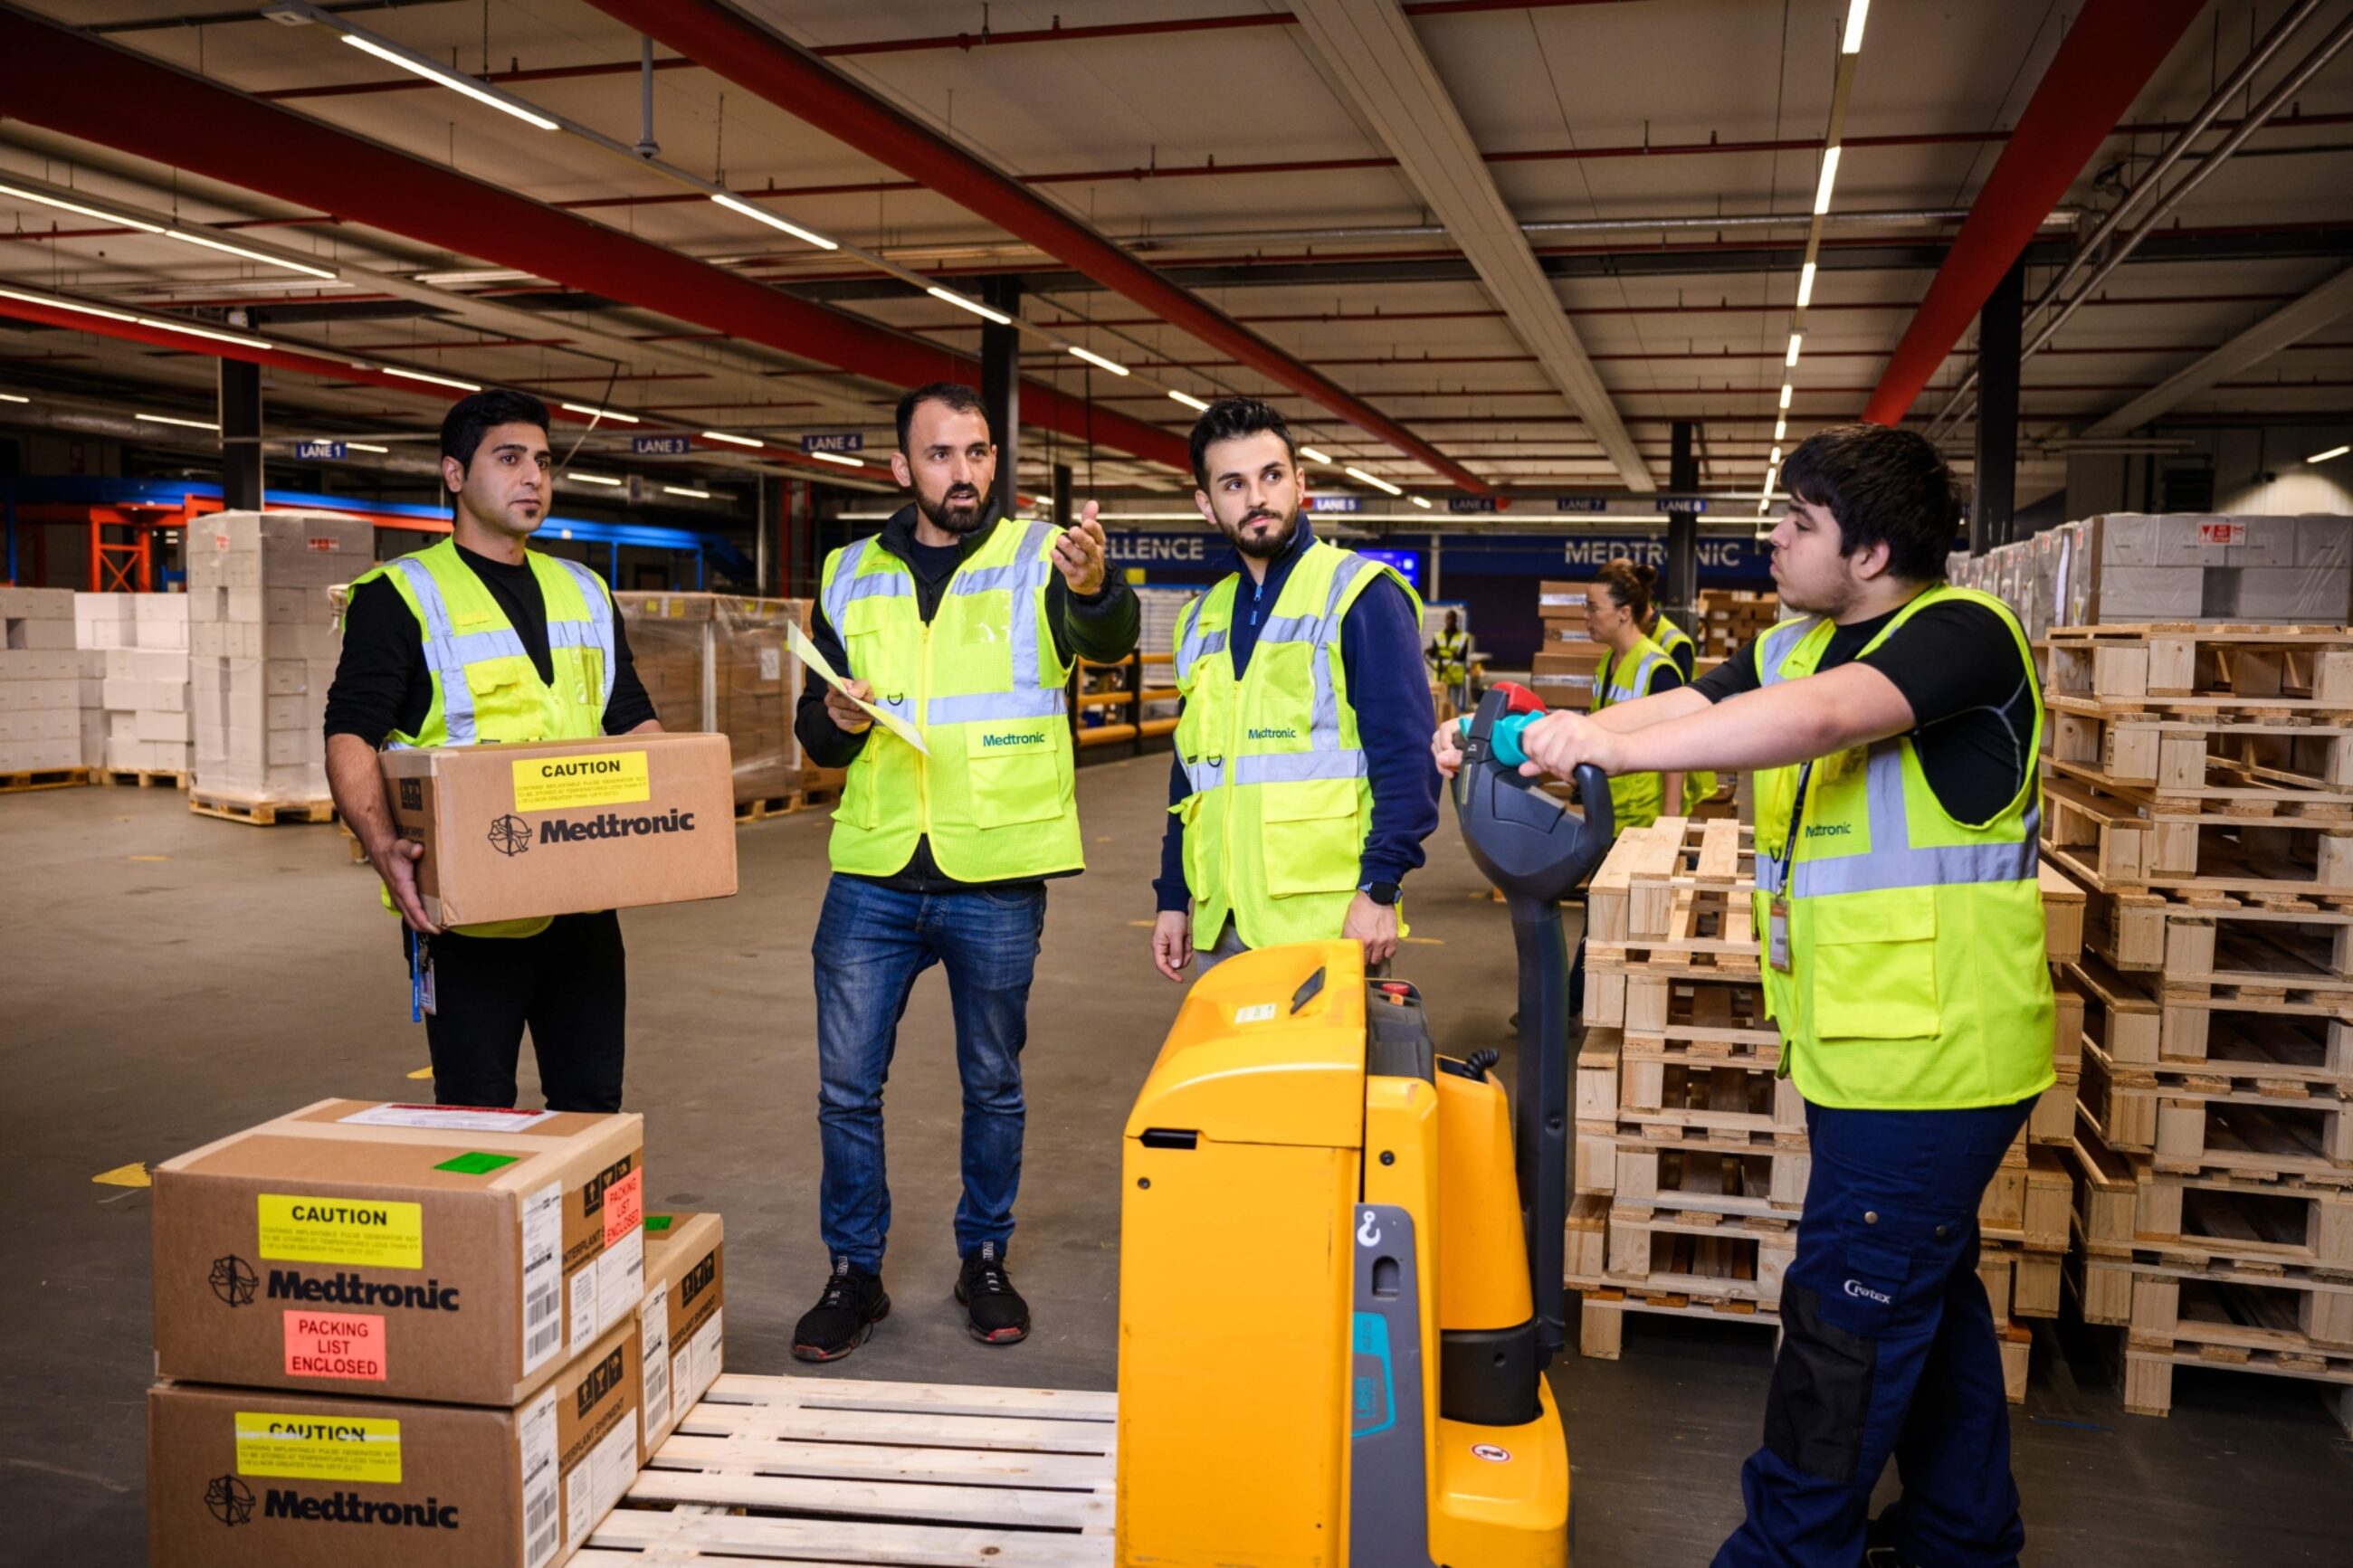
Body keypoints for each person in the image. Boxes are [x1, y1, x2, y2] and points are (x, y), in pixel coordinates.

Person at [1434, 423, 2053, 1568]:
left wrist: (1602, 751)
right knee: (1926, 1298)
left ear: (1870, 553)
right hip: (1865, 1047)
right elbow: (1678, 704)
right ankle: (1960, 1536)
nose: (1770, 537)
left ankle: (1784, 1549)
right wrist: (1526, 735)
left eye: (1798, 522)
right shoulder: (1797, 640)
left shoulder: (1960, 634)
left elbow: (1818, 720)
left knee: (1842, 1324)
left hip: (1936, 1059)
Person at [790, 381, 1138, 1361]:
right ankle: (853, 1272)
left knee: (993, 1084)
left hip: (994, 868)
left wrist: (1094, 588)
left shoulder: (1040, 555)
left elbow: (1105, 642)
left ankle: (983, 1255)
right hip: (874, 870)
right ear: (902, 467)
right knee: (846, 1090)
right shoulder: (848, 572)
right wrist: (838, 717)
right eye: (940, 454)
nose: (963, 472)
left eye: (977, 452)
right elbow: (816, 731)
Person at [325, 389, 662, 1113]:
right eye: (509, 459)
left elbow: (632, 719)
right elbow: (350, 731)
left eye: (542, 461)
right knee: (476, 1113)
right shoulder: (400, 594)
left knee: (592, 1105)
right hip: (466, 915)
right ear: (454, 474)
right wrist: (380, 845)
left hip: (581, 901)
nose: (533, 476)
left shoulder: (584, 590)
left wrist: (671, 815)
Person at [1151, 396, 1440, 982]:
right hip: (1219, 925)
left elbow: (1408, 757)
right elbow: (1191, 777)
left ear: (1300, 483)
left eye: (1272, 476)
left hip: (1329, 926)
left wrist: (1380, 888)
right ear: (1207, 504)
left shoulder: (1359, 593)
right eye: (1234, 484)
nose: (1257, 498)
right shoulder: (1201, 619)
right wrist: (1172, 896)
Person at [1586, 559, 1684, 831]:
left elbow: (1678, 747)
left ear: (1624, 613)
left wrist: (1670, 820)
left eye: (1593, 608)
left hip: (1642, 818)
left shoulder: (1657, 669)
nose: (1586, 616)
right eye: (1586, 607)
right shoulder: (1607, 661)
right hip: (1608, 810)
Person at [1616, 556, 1716, 812]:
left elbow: (1679, 724)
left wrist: (1671, 810)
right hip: (1638, 774)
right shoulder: (1620, 647)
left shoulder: (1673, 643)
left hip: (1669, 771)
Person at [1428, 608, 1472, 713]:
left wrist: (1457, 656)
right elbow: (1434, 653)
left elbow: (1463, 657)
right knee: (1439, 705)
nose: (1449, 621)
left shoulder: (1463, 637)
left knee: (1453, 705)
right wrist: (1430, 652)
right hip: (1441, 675)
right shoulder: (1438, 636)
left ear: (1455, 620)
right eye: (1447, 618)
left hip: (1454, 677)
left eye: (1452, 619)